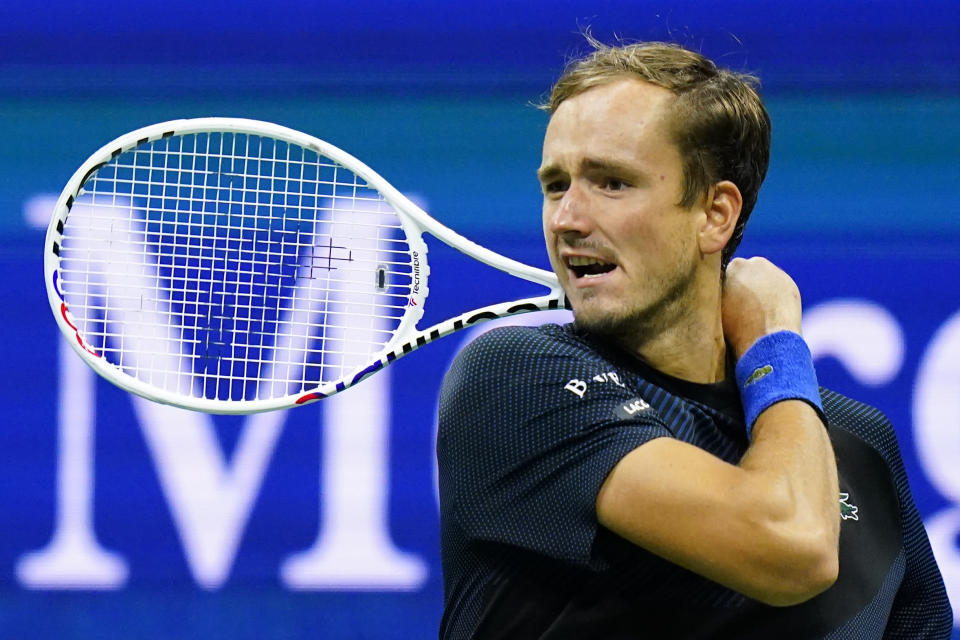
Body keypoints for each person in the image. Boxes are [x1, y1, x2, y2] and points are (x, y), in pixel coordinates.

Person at [436, 38, 952, 638]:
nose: (567, 219)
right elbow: (793, 545)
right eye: (556, 185)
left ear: (715, 214)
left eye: (612, 183)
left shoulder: (861, 445)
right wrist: (773, 342)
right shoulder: (515, 378)